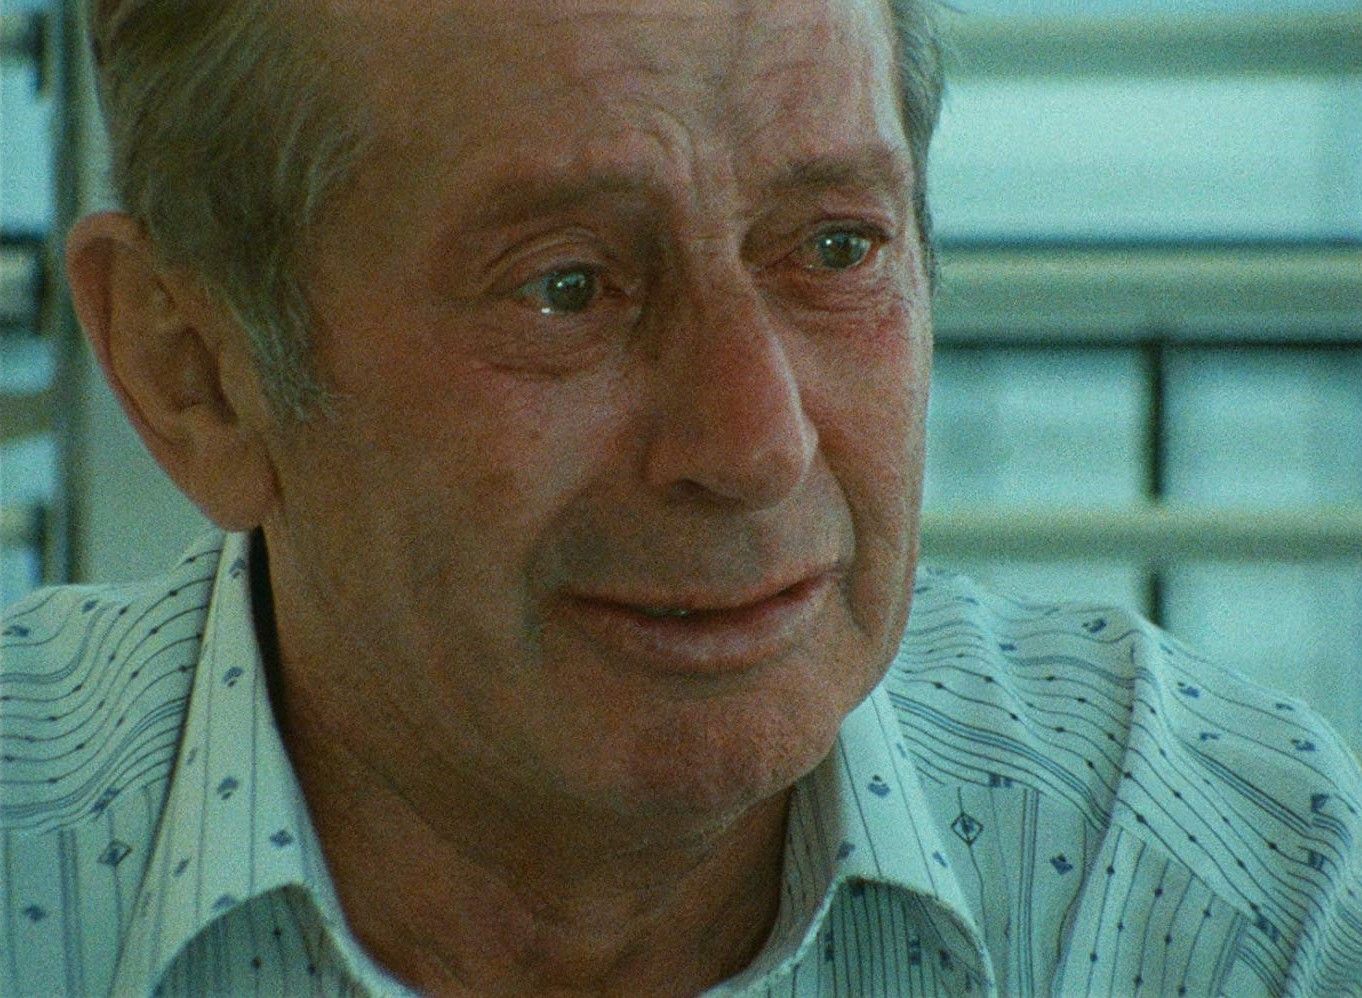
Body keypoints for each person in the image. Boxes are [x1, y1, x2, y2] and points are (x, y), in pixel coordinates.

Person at [3, 0, 1360, 994]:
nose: (756, 444)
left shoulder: (1222, 881)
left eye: (837, 247)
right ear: (195, 375)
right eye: (566, 286)